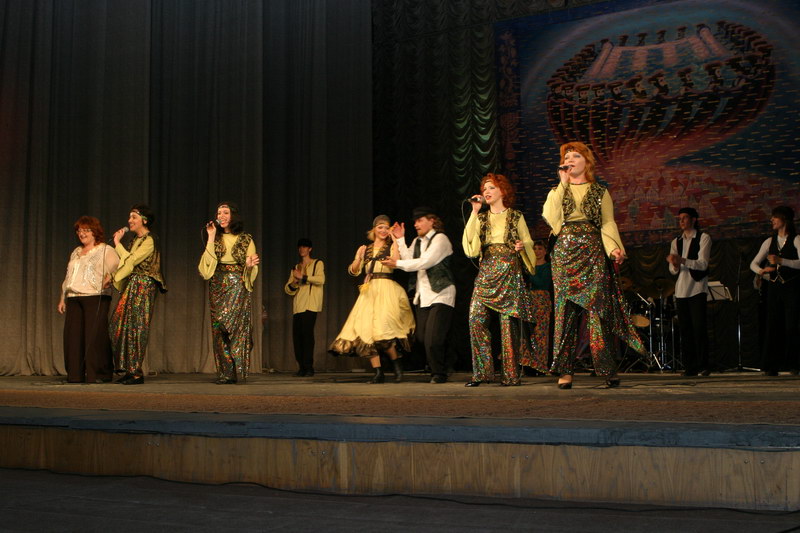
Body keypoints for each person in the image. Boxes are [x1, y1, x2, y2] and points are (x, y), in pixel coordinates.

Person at [542, 141, 643, 389]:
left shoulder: (599, 191)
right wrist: (563, 184)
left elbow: (607, 223)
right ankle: (565, 370)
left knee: (597, 311)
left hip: (592, 251)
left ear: (587, 162)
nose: (570, 160)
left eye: (576, 156)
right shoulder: (557, 190)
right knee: (565, 313)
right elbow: (551, 219)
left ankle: (606, 368)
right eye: (567, 157)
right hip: (564, 254)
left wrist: (614, 248)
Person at [462, 173, 544, 387]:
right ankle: (483, 373)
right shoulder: (481, 218)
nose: (486, 191)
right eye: (484, 188)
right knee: (476, 319)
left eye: (491, 187)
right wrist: (474, 211)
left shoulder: (515, 216)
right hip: (487, 271)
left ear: (502, 191)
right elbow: (470, 246)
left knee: (508, 325)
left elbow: (528, 242)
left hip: (509, 271)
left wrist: (521, 247)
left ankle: (510, 374)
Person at [329, 215, 415, 383]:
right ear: (374, 229)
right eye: (380, 227)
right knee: (366, 332)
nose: (383, 230)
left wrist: (395, 240)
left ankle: (397, 365)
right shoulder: (366, 249)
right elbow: (354, 271)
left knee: (383, 331)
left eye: (386, 227)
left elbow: (396, 262)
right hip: (369, 292)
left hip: (387, 291)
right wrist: (358, 257)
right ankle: (378, 372)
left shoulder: (391, 246)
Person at [381, 207, 455, 384]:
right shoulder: (417, 241)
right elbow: (408, 260)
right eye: (415, 221)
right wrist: (400, 239)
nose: (416, 224)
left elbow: (426, 262)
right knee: (422, 337)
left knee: (433, 338)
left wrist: (397, 264)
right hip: (423, 296)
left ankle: (439, 373)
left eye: (420, 220)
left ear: (432, 221)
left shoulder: (441, 239)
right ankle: (441, 364)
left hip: (441, 293)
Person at [199, 202, 260, 384]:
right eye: (219, 213)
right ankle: (227, 373)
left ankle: (239, 357)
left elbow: (251, 266)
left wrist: (248, 266)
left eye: (225, 212)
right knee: (219, 329)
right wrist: (210, 237)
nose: (222, 216)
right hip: (217, 285)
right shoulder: (215, 238)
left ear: (233, 216)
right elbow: (206, 266)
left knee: (235, 328)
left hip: (237, 284)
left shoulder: (245, 239)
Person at [57, 216, 120, 383]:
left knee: (94, 336)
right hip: (74, 297)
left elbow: (118, 267)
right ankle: (75, 375)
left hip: (95, 296)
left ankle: (98, 374)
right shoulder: (76, 252)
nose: (81, 234)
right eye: (79, 231)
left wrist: (111, 277)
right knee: (73, 338)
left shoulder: (105, 250)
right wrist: (63, 298)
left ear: (94, 232)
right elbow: (68, 276)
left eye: (86, 230)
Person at [109, 205, 167, 385]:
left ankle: (136, 372)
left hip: (143, 285)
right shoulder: (135, 240)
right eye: (130, 217)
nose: (130, 220)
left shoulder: (150, 240)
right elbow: (126, 263)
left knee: (137, 327)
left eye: (134, 217)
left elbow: (131, 261)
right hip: (132, 284)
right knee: (119, 325)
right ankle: (128, 368)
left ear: (144, 220)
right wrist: (113, 276)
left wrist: (117, 243)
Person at [750, 206, 800, 376]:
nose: (772, 220)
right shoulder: (769, 241)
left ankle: (794, 363)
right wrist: (761, 271)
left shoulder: (796, 239)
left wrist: (782, 261)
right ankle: (772, 365)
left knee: (792, 325)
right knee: (773, 325)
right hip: (774, 287)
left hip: (792, 287)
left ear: (784, 219)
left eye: (775, 217)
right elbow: (753, 263)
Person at [666, 207, 711, 376]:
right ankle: (690, 367)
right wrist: (675, 264)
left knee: (699, 329)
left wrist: (682, 260)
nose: (681, 221)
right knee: (685, 331)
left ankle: (703, 366)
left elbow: (703, 264)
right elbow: (672, 271)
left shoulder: (703, 238)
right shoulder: (676, 241)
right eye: (680, 218)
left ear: (694, 219)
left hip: (697, 288)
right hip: (681, 290)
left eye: (685, 218)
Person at [284, 238, 325, 377]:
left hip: (311, 305)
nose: (302, 249)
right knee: (297, 337)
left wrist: (304, 277)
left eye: (305, 247)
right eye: (300, 247)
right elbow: (288, 289)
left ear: (310, 249)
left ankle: (309, 367)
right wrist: (295, 282)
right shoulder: (296, 267)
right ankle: (301, 367)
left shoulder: (317, 263)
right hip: (298, 306)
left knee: (307, 335)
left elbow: (321, 279)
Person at [528, 239, 553, 371]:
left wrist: (529, 272)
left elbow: (541, 283)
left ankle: (540, 364)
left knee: (541, 333)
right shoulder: (529, 265)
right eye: (535, 249)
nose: (537, 251)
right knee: (529, 333)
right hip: (529, 300)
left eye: (540, 249)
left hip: (542, 300)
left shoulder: (547, 267)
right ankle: (528, 363)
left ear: (545, 251)